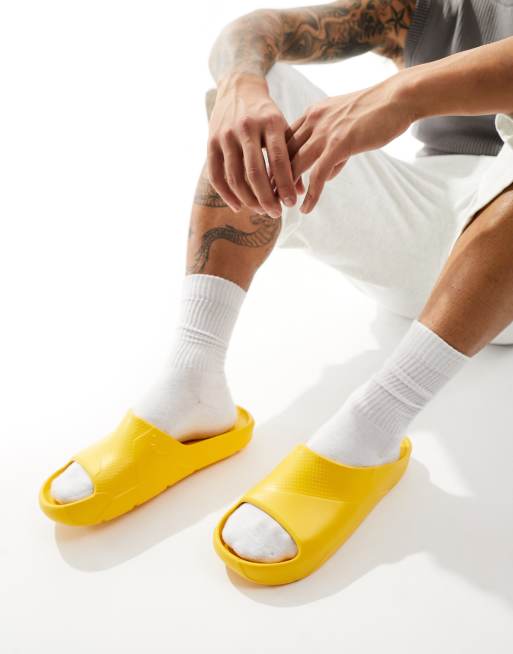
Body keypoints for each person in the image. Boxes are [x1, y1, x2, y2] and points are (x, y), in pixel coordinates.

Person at [42, 0, 513, 577]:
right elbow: (256, 30)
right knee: (268, 93)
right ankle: (194, 382)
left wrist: (402, 93)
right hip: (429, 231)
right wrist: (241, 84)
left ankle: (373, 427)